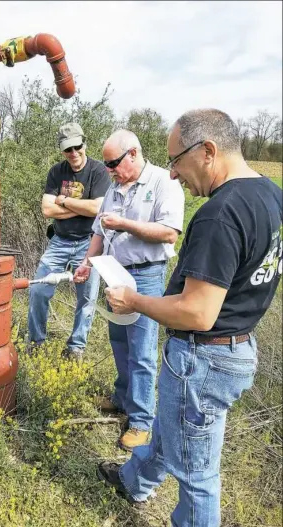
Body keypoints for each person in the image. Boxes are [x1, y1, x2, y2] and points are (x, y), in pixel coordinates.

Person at [97, 109, 282, 526]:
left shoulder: (220, 214)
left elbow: (197, 312)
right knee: (171, 427)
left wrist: (135, 301)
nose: (175, 176)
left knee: (197, 474)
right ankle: (134, 481)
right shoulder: (270, 195)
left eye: (177, 161)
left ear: (208, 151)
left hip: (205, 357)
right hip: (236, 345)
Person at [74, 129, 185, 450]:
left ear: (133, 154)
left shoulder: (164, 182)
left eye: (113, 163)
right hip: (115, 274)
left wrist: (125, 225)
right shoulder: (114, 186)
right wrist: (86, 263)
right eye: (106, 164)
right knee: (119, 340)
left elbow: (168, 233)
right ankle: (122, 397)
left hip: (146, 277)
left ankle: (140, 420)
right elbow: (97, 231)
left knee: (142, 350)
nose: (108, 170)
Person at [27, 123, 111, 360]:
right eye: (68, 149)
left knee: (87, 297)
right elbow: (46, 209)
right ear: (62, 151)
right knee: (39, 290)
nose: (74, 153)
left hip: (88, 242)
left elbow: (98, 208)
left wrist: (63, 201)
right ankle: (36, 342)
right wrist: (83, 208)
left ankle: (76, 347)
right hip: (60, 241)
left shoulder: (98, 171)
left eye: (77, 147)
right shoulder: (57, 171)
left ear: (84, 143)